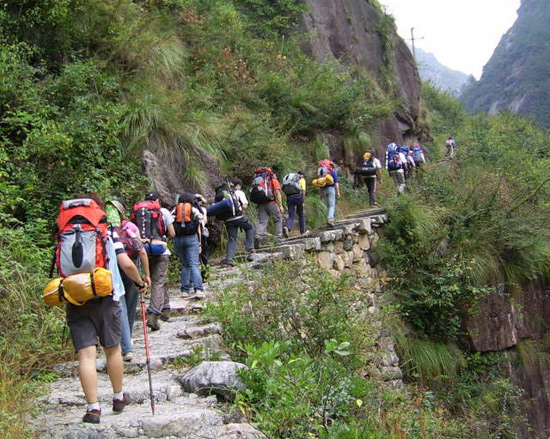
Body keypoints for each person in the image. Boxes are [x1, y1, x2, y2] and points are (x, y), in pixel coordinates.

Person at [65, 193, 149, 424]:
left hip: (75, 297)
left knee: (86, 355)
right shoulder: (107, 232)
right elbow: (126, 263)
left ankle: (93, 408)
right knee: (112, 350)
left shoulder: (67, 233)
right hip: (106, 297)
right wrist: (140, 281)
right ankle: (118, 397)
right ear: (99, 209)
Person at [105, 199, 151, 362]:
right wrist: (146, 276)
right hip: (131, 267)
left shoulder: (103, 230)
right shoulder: (130, 227)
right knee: (129, 307)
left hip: (111, 268)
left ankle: (125, 343)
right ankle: (127, 346)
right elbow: (142, 251)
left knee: (121, 305)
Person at [132, 191, 175, 331]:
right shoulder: (163, 211)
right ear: (157, 201)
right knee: (158, 281)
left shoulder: (139, 212)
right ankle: (153, 314)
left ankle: (166, 308)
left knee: (157, 279)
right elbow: (172, 233)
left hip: (143, 250)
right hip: (160, 249)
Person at [173, 192, 206, 299]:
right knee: (194, 265)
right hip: (191, 238)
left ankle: (185, 291)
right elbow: (200, 225)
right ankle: (198, 289)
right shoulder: (193, 209)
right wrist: (200, 243)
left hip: (178, 239)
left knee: (185, 265)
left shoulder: (175, 210)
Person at [223, 178, 256, 265]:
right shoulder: (239, 192)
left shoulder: (224, 193)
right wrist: (240, 210)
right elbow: (245, 205)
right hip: (238, 217)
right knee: (250, 228)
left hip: (227, 220)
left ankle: (229, 259)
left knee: (232, 239)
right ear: (237, 185)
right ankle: (250, 249)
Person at [250, 167, 284, 247]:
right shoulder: (273, 181)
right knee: (278, 219)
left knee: (262, 222)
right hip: (271, 203)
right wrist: (280, 206)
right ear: (273, 174)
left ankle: (258, 236)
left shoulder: (258, 180)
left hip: (260, 204)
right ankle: (278, 238)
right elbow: (278, 194)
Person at [282, 171, 308, 237]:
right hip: (298, 196)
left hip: (289, 197)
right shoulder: (302, 180)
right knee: (301, 214)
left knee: (291, 215)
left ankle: (287, 227)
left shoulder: (290, 181)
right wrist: (303, 199)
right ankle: (303, 231)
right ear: (302, 175)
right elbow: (303, 190)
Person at [316, 159, 340, 227]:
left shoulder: (320, 172)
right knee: (332, 205)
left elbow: (319, 183)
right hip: (331, 189)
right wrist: (338, 192)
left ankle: (329, 219)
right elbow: (336, 182)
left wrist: (320, 194)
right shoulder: (332, 171)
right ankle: (330, 219)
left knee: (327, 206)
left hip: (323, 190)